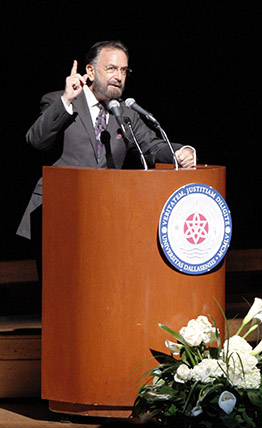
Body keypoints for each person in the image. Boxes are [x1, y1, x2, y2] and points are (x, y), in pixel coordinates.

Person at [16, 40, 196, 270]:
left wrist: (179, 152)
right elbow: (36, 141)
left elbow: (151, 146)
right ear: (89, 71)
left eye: (123, 70)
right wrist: (66, 100)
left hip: (106, 217)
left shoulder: (125, 112)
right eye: (111, 68)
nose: (118, 76)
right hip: (58, 216)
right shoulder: (58, 101)